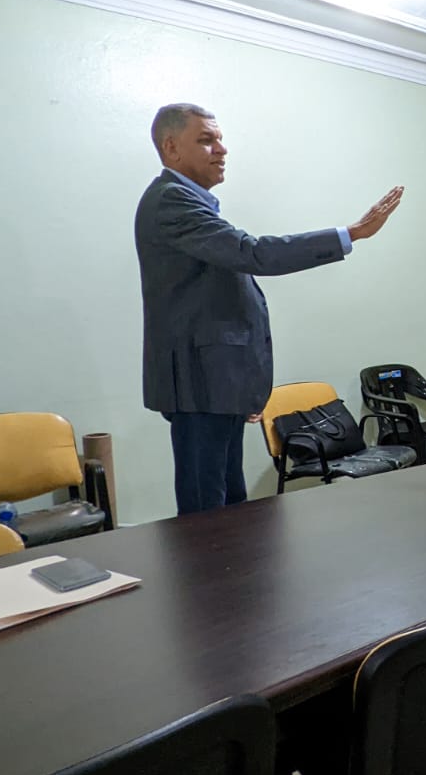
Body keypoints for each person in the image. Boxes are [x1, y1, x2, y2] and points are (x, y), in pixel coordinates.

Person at [135, 103, 403, 516]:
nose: (221, 150)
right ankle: (208, 582)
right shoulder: (172, 201)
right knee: (206, 513)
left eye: (220, 139)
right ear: (171, 148)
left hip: (215, 383)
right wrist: (350, 234)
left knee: (230, 503)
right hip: (197, 384)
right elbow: (254, 254)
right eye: (206, 140)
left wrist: (245, 387)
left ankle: (227, 580)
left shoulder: (190, 203)